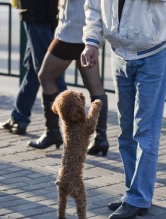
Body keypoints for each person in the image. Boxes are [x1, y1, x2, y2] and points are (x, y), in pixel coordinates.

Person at [81, 0, 166, 219]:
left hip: (152, 52)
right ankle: (133, 192)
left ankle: (138, 197)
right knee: (126, 131)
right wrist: (91, 42)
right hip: (120, 54)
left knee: (145, 130)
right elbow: (94, 9)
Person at [28, 0, 109, 156]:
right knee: (95, 86)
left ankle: (52, 132)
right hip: (88, 31)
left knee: (45, 77)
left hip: (71, 31)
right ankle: (101, 138)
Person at [0, 0, 67, 135]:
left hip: (38, 12)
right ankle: (19, 117)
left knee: (48, 71)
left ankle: (73, 124)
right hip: (45, 12)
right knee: (34, 68)